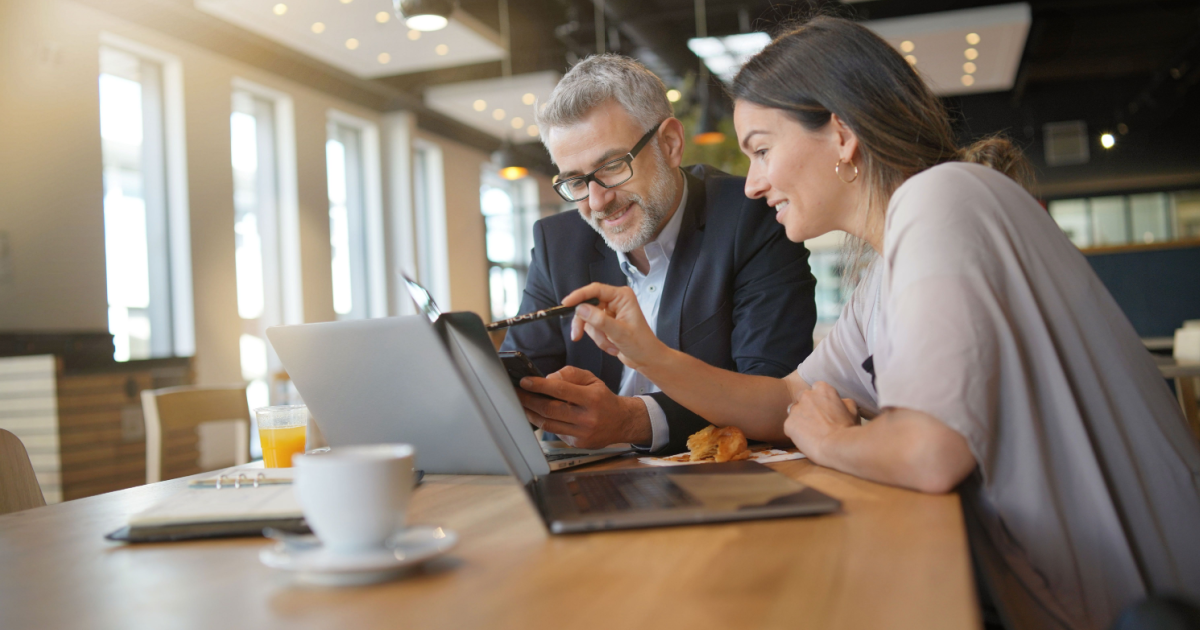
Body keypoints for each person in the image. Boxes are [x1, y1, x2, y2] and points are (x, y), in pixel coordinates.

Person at [557, 17, 1200, 630]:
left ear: (841, 135)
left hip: (1136, 607)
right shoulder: (885, 270)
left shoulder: (941, 197)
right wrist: (649, 355)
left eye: (761, 150)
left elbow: (931, 451)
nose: (751, 185)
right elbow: (786, 398)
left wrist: (831, 440)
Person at [503, 54, 817, 455]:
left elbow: (775, 393)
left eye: (613, 166)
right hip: (585, 484)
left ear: (669, 144)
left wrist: (633, 420)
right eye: (575, 181)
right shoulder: (557, 242)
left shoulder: (751, 217)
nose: (597, 201)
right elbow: (519, 380)